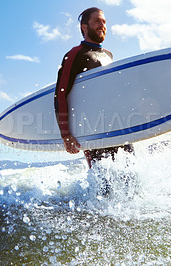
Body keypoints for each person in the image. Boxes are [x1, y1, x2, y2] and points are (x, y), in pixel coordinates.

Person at [54, 7, 134, 192]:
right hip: (94, 132)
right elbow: (61, 93)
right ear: (84, 27)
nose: (102, 25)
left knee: (132, 183)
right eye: (97, 21)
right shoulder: (75, 54)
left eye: (104, 22)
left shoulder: (108, 56)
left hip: (118, 128)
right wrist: (66, 134)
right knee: (104, 190)